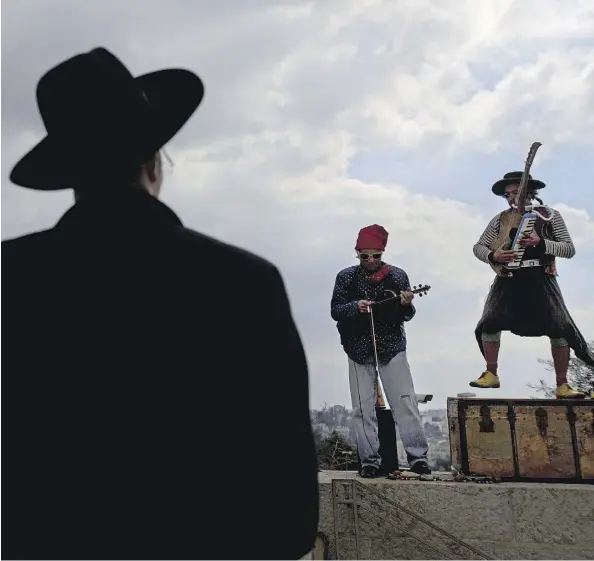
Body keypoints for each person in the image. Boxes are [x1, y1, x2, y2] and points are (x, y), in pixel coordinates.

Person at [2, 47, 318, 561]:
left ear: (69, 172)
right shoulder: (244, 282)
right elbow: (289, 511)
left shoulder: (9, 278)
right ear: (154, 162)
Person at [471, 171, 594, 397]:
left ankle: (562, 384)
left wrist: (542, 243)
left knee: (559, 326)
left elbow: (569, 249)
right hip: (508, 278)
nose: (511, 198)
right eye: (508, 194)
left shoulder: (550, 215)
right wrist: (494, 256)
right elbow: (479, 247)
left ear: (529, 192)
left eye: (516, 192)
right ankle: (491, 373)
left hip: (541, 277)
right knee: (489, 321)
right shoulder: (499, 219)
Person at [330, 224, 430, 478]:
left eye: (376, 255)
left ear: (382, 253)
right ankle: (369, 461)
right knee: (362, 408)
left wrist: (406, 304)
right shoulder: (345, 277)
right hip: (357, 348)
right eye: (365, 255)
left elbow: (407, 315)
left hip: (392, 346)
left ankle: (418, 457)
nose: (371, 260)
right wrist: (356, 306)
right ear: (357, 253)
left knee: (405, 402)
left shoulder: (397, 276)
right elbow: (336, 311)